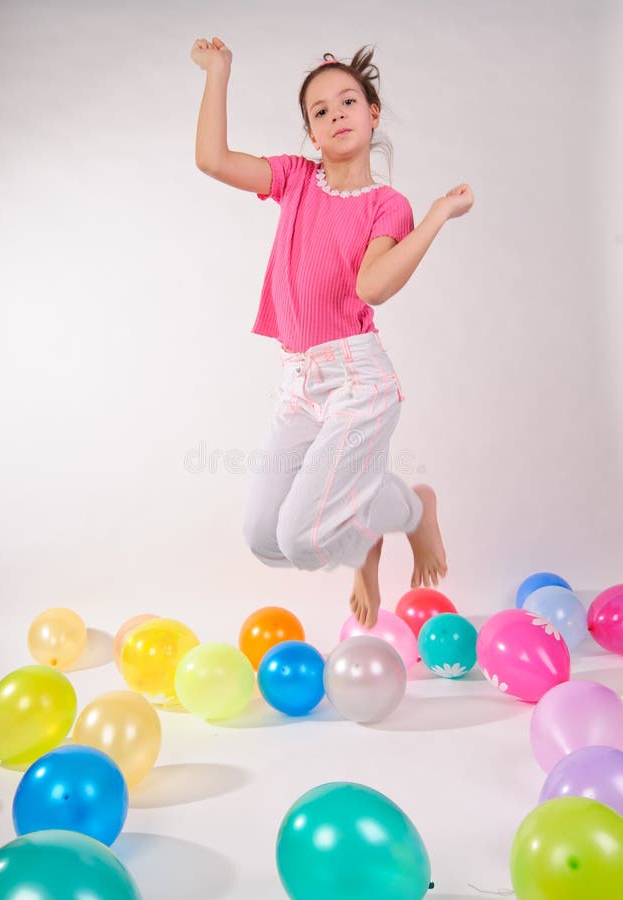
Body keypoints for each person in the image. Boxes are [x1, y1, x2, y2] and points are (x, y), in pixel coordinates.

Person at [191, 37, 474, 628]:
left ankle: (411, 512)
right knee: (264, 539)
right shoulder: (293, 180)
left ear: (372, 114)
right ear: (311, 134)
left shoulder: (387, 206)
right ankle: (373, 531)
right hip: (298, 382)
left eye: (349, 101)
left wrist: (436, 216)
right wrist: (219, 72)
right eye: (321, 111)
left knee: (300, 540)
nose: (337, 113)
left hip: (356, 381)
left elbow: (372, 287)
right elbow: (213, 160)